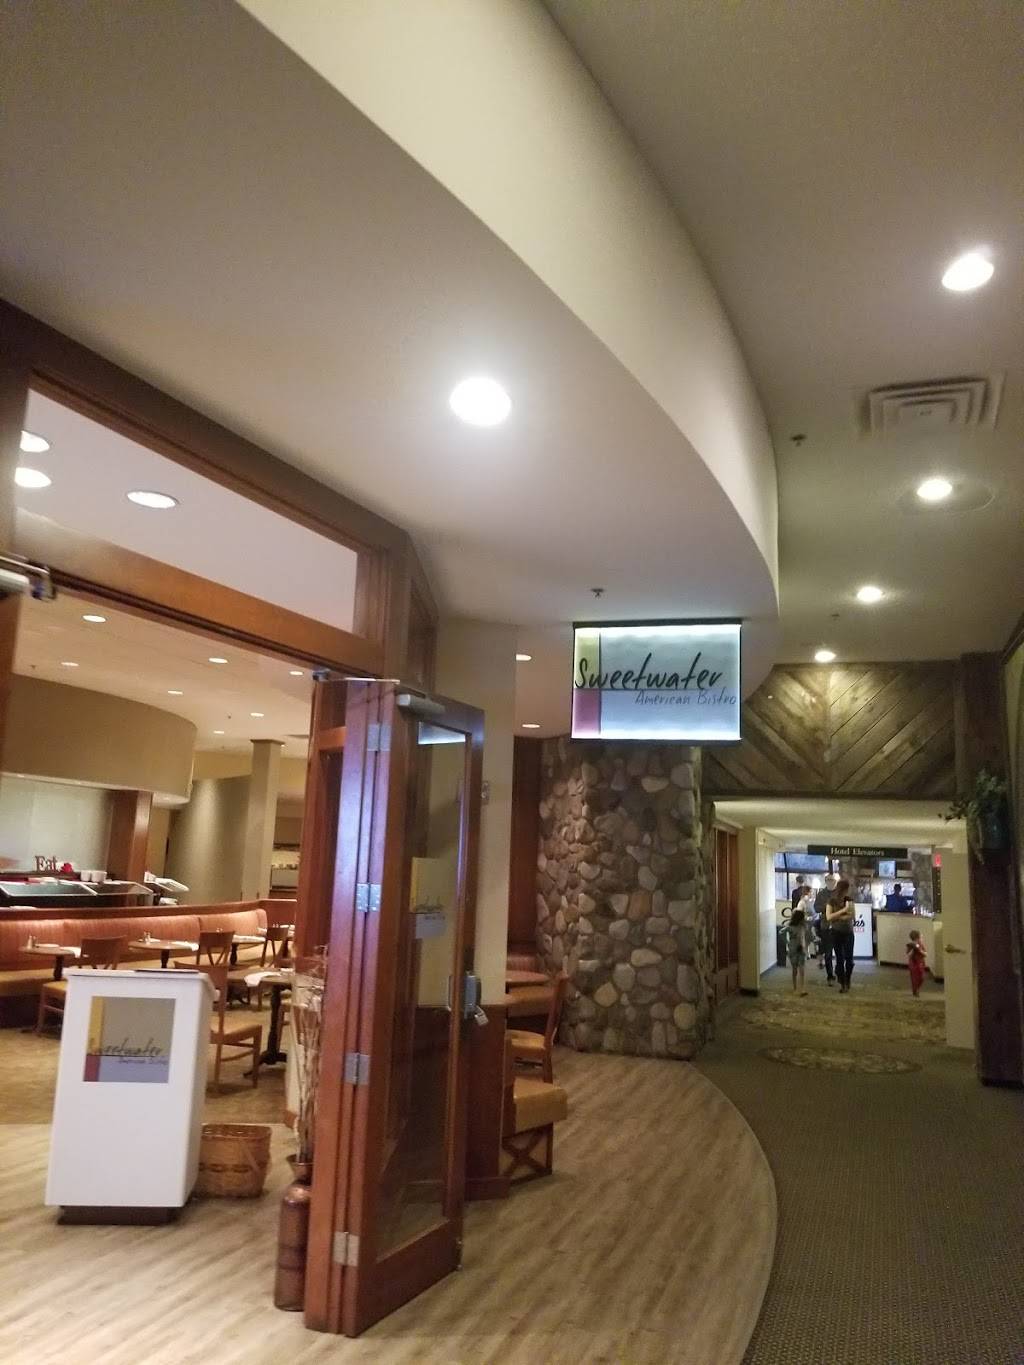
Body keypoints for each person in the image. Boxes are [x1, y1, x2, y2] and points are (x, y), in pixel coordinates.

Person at [827, 878, 856, 993]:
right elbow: (828, 917)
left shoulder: (849, 900)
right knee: (840, 958)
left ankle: (847, 979)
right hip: (836, 933)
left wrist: (837, 917)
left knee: (849, 959)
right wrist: (844, 910)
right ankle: (843, 982)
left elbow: (852, 915)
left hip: (848, 933)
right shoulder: (831, 901)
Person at [815, 875, 837, 984]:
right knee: (828, 953)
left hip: (838, 926)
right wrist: (827, 906)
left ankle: (839, 972)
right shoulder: (821, 894)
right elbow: (816, 908)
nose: (831, 882)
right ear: (826, 882)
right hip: (826, 926)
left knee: (840, 953)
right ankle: (830, 976)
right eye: (829, 880)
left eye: (833, 880)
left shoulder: (839, 893)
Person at [785, 907, 809, 995]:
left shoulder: (791, 926)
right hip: (798, 948)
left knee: (796, 969)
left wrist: (787, 942)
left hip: (795, 948)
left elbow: (781, 932)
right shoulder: (802, 926)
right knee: (799, 969)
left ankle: (796, 988)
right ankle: (800, 988)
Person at [907, 929, 928, 997]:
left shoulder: (921, 945)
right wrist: (913, 949)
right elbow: (909, 954)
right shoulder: (910, 945)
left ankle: (917, 988)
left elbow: (925, 954)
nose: (922, 939)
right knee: (914, 978)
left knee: (922, 977)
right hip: (913, 963)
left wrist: (920, 950)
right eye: (921, 938)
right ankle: (915, 990)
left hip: (921, 963)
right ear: (916, 939)